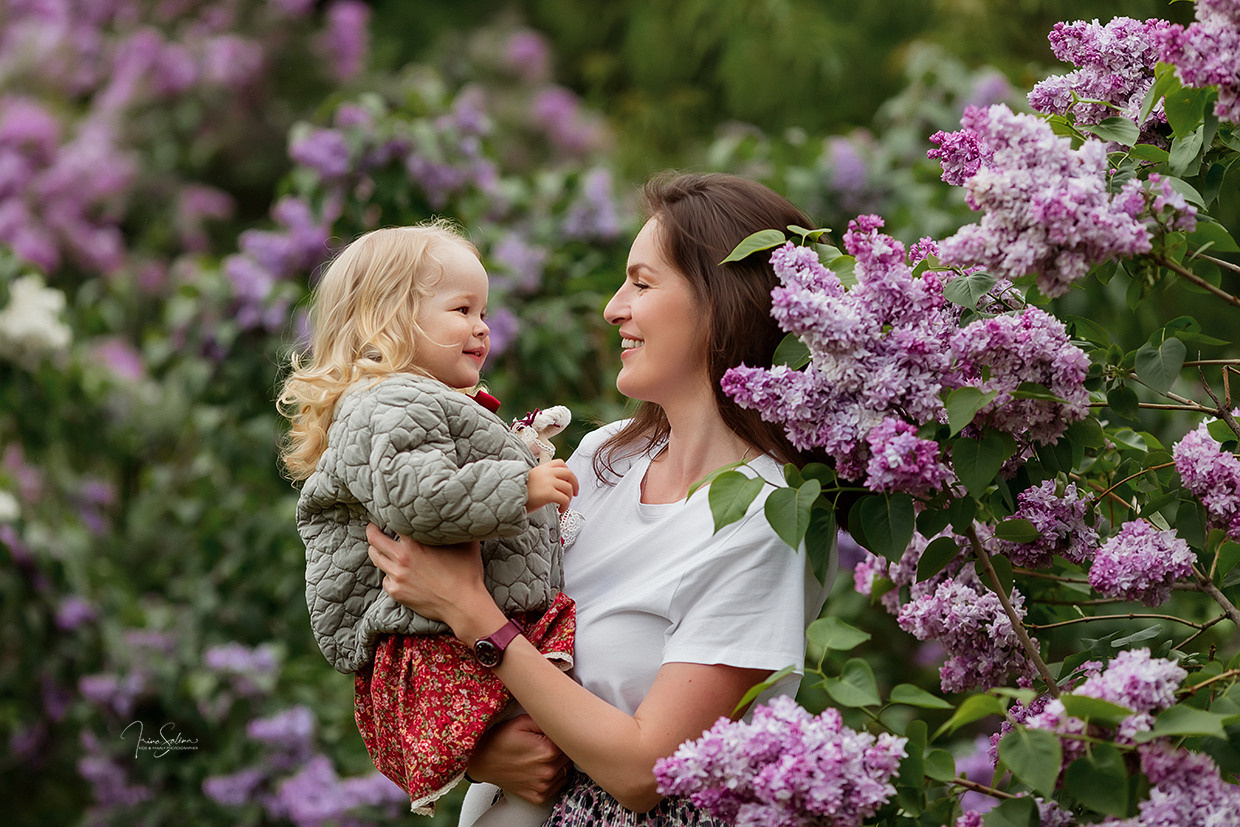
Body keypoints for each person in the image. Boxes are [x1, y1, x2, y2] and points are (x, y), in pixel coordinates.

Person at [365, 173, 836, 825]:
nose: (614, 307)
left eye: (642, 283)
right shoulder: (604, 457)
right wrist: (481, 749)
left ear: (719, 302)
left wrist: (471, 612)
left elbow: (647, 771)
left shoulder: (771, 514)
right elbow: (521, 654)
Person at [277, 222, 579, 814]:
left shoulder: (419, 399)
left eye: (484, 310)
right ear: (386, 322)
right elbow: (418, 498)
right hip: (432, 641)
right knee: (543, 763)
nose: (482, 326)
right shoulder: (384, 401)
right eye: (462, 308)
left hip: (453, 631)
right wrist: (523, 485)